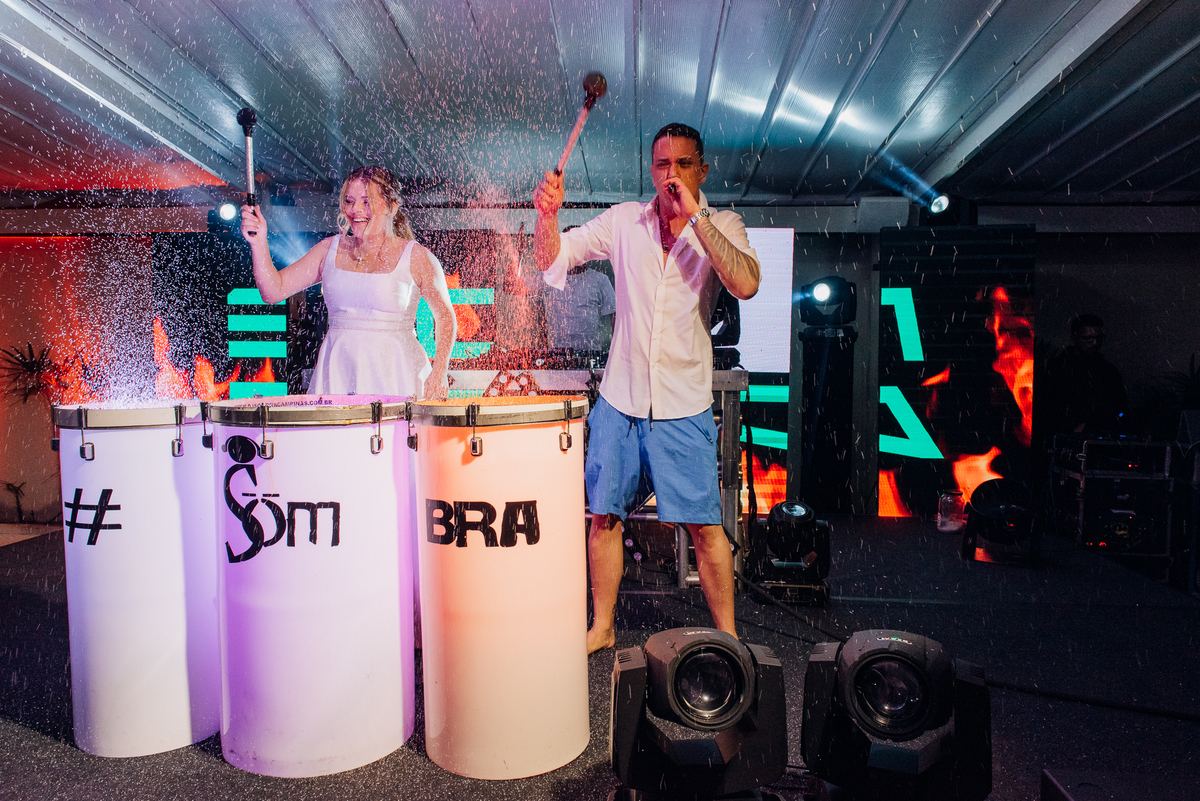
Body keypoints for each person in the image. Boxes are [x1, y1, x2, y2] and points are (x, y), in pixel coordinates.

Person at [533, 123, 761, 653]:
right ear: (651, 170)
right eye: (661, 164)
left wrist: (695, 215)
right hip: (621, 398)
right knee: (604, 516)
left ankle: (728, 637)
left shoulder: (723, 223)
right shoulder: (623, 221)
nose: (670, 174)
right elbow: (553, 259)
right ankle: (603, 626)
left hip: (684, 402)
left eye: (683, 164)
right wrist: (547, 217)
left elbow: (746, 283)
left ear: (702, 170)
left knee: (705, 527)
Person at [240, 165, 456, 398]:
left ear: (392, 207)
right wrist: (258, 243)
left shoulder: (416, 256)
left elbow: (445, 316)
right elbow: (273, 291)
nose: (356, 210)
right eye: (350, 201)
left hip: (398, 375)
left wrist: (440, 370)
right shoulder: (328, 250)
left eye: (367, 201)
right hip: (338, 374)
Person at [1038, 313, 1129, 440]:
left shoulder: (1108, 371)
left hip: (1099, 437)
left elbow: (1119, 406)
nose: (1095, 343)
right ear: (1075, 337)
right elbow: (1046, 408)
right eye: (1088, 338)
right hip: (1063, 438)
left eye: (1098, 338)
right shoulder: (1056, 368)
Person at [543, 256, 616, 353]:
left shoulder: (601, 280)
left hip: (590, 353)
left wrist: (616, 350)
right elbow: (522, 287)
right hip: (556, 354)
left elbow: (615, 317)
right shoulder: (550, 278)